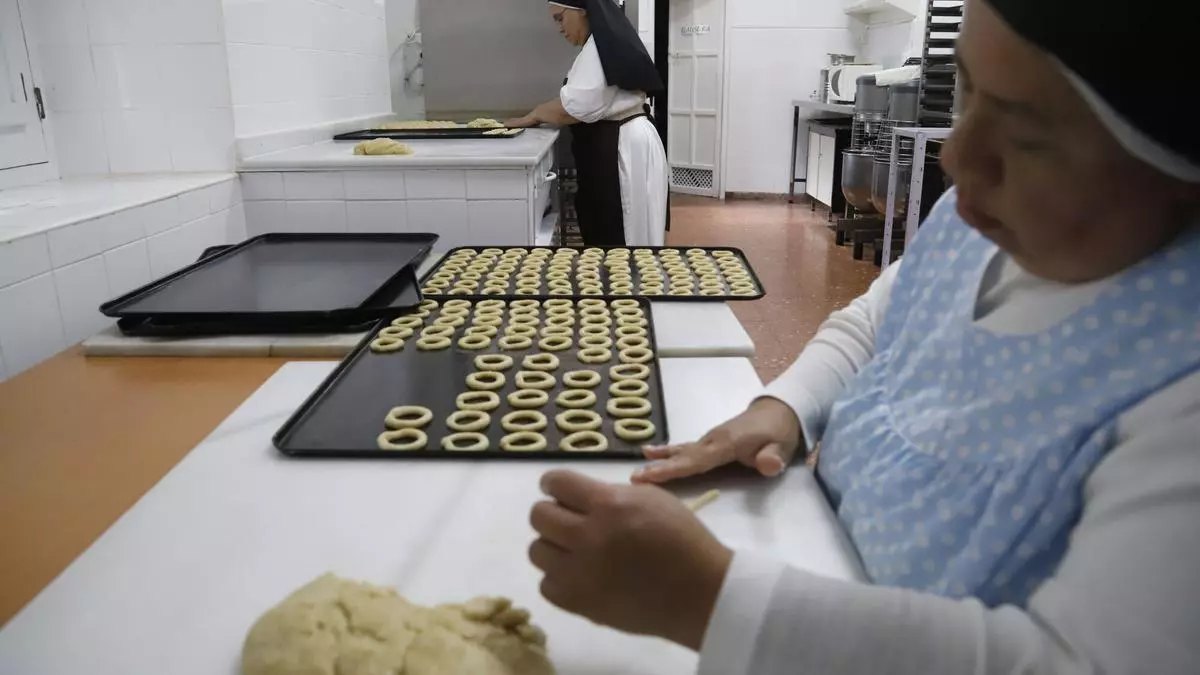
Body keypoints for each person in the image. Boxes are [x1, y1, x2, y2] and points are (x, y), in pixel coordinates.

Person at [526, 1, 1200, 672]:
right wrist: (783, 407)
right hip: (819, 576)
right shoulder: (975, 227)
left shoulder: (1178, 387)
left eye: (1027, 136)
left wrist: (710, 600)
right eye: (966, 94)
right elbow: (876, 321)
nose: (958, 156)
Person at [506, 0, 668, 247]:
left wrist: (535, 115)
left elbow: (574, 109)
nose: (559, 28)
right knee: (636, 231)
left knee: (622, 236)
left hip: (623, 148)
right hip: (631, 141)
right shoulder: (602, 44)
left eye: (560, 18)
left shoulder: (598, 49)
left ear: (582, 10)